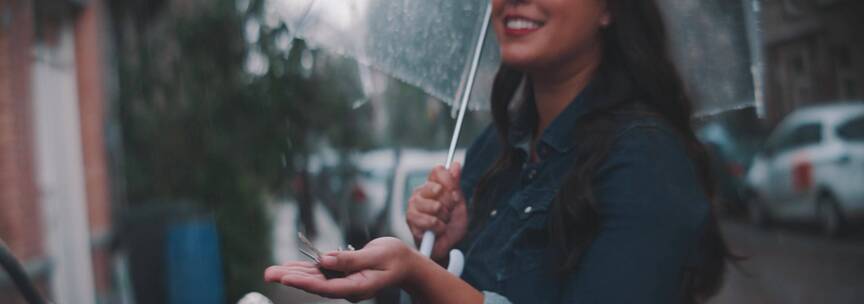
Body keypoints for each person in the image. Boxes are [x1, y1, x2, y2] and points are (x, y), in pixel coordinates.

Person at [265, 0, 736, 303]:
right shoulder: (496, 150)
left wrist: (419, 276)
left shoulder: (647, 162)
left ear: (609, 9)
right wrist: (442, 258)